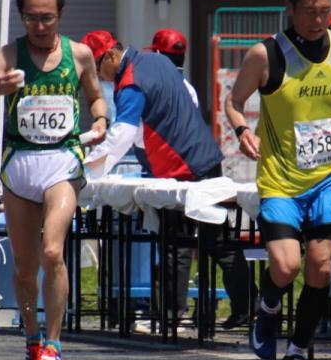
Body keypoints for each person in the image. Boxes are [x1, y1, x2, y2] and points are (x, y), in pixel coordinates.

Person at [224, 0, 331, 360]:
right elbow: (234, 101)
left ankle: (296, 354)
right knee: (286, 264)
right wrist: (242, 130)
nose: (317, 20)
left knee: (321, 267)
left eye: (325, 12)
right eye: (308, 11)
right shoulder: (267, 54)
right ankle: (270, 302)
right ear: (290, 9)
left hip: (326, 176)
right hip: (279, 179)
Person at [0, 0, 108, 360]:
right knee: (26, 268)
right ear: (22, 17)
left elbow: (96, 95)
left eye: (47, 18)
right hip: (20, 165)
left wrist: (100, 117)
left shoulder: (80, 54)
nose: (40, 26)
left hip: (62, 160)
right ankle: (31, 339)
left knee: (53, 251)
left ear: (61, 15)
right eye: (32, 18)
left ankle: (53, 343)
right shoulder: (7, 56)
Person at [83, 30, 256, 331]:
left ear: (110, 55)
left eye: (98, 68)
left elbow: (123, 134)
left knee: (176, 244)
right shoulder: (157, 62)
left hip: (182, 170)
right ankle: (247, 308)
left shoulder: (130, 82)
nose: (100, 77)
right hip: (205, 159)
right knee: (220, 243)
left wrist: (88, 173)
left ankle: (173, 317)